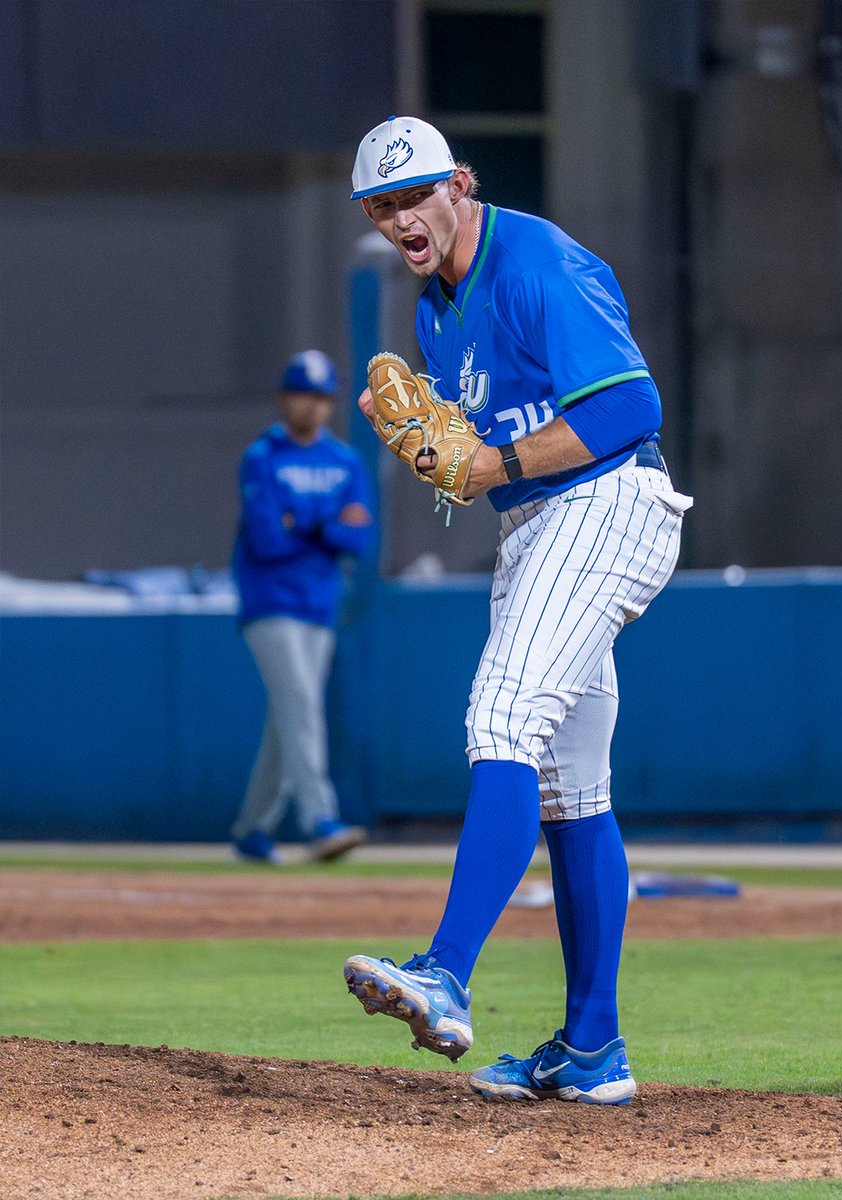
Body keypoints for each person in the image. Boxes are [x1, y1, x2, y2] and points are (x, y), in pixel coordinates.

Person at [343, 117, 693, 1105]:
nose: (401, 218)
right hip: (536, 525)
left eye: (415, 195)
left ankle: (446, 973)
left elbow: (630, 410)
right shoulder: (431, 310)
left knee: (502, 718)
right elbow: (479, 465)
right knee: (569, 789)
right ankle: (593, 1052)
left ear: (461, 182)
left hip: (609, 502)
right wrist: (438, 464)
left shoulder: (537, 258)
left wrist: (486, 462)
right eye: (382, 206)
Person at [230, 350, 376, 865]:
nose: (310, 406)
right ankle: (320, 818)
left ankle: (251, 828)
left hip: (320, 602)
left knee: (288, 719)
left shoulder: (345, 461)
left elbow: (359, 536)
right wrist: (327, 524)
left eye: (320, 397)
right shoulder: (263, 455)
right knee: (302, 709)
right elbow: (269, 539)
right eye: (301, 394)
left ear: (331, 404)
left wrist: (306, 523)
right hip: (270, 601)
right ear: (283, 398)